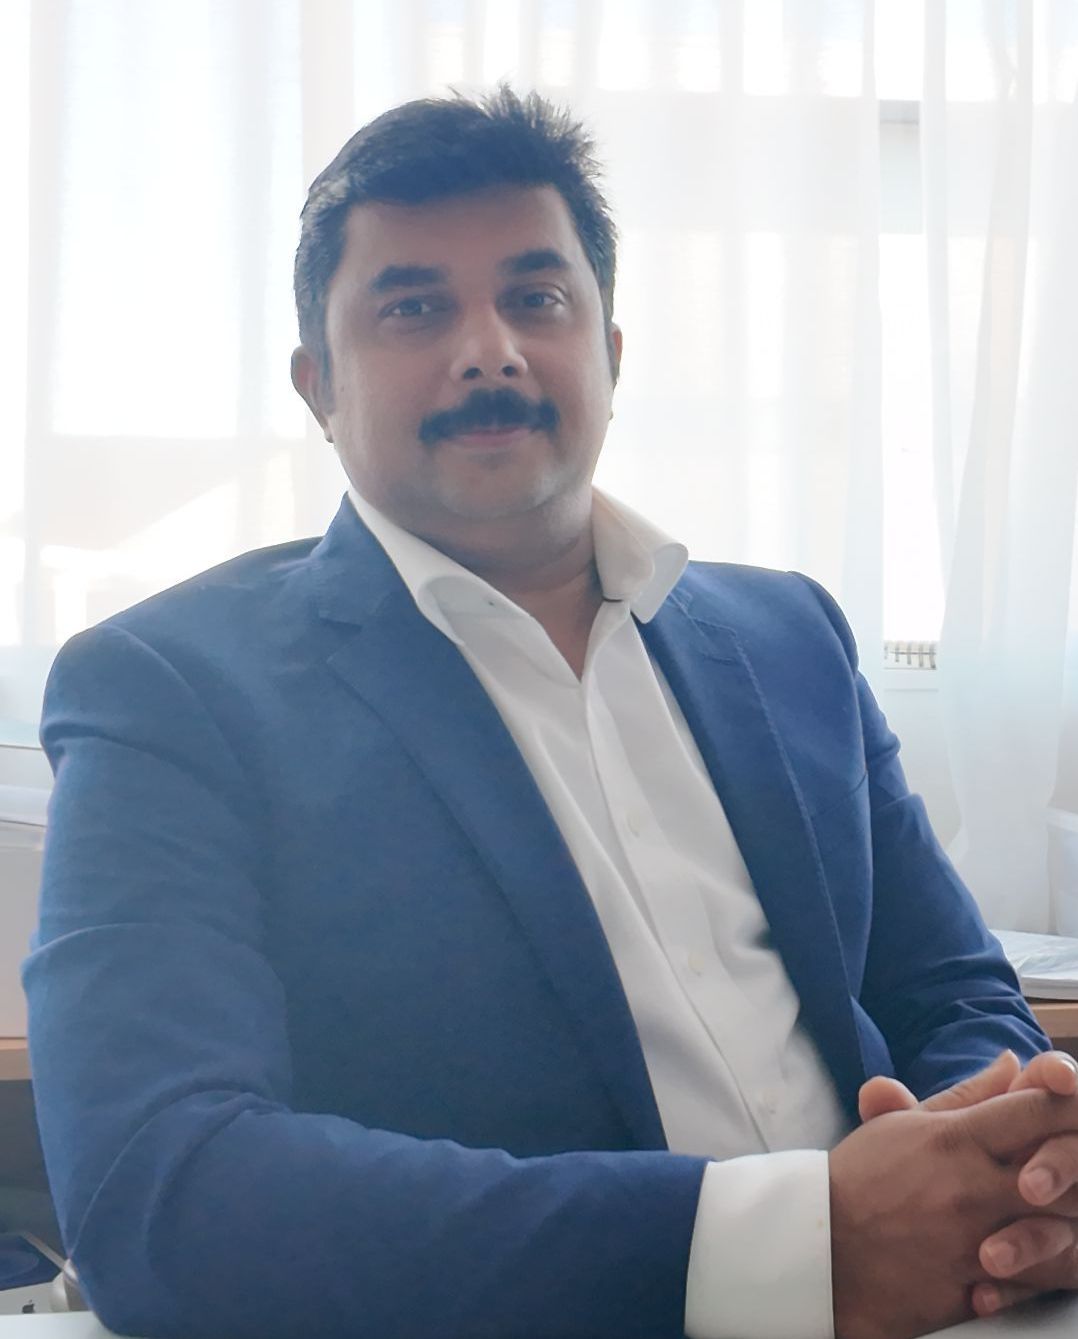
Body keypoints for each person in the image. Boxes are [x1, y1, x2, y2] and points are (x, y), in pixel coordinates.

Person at [22, 87, 1078, 1339]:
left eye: (536, 297)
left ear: (611, 354)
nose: (489, 351)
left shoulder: (790, 634)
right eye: (413, 308)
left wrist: (1008, 1171)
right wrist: (802, 1243)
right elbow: (161, 1190)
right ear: (317, 385)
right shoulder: (171, 687)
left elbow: (950, 989)